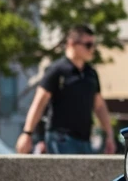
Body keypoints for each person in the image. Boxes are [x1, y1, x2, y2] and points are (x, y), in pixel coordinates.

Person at [17, 25, 115, 155]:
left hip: (85, 140)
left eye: (93, 45)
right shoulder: (57, 70)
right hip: (60, 139)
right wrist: (27, 133)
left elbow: (99, 106)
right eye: (88, 45)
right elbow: (39, 102)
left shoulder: (90, 73)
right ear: (72, 44)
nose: (92, 49)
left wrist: (109, 135)